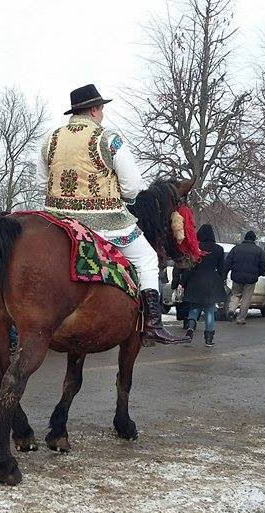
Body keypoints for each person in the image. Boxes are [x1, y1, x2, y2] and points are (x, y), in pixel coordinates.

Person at [37, 84, 182, 344]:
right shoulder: (108, 139)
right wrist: (125, 198)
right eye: (101, 108)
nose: (102, 113)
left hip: (56, 221)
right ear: (94, 110)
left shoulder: (51, 139)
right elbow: (133, 186)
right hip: (105, 220)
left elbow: (41, 180)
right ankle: (152, 324)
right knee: (148, 259)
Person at [175, 224, 226, 346]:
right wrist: (221, 281)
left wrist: (183, 282)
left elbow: (189, 268)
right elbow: (221, 269)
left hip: (195, 281)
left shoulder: (195, 248)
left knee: (194, 308)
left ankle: (190, 328)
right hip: (211, 282)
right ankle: (209, 339)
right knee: (209, 310)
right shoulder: (219, 249)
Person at [223, 230, 265, 325]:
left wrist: (224, 274)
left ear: (245, 238)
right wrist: (258, 273)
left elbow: (228, 262)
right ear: (254, 239)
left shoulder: (236, 249)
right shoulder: (259, 251)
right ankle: (240, 318)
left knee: (235, 295)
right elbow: (264, 265)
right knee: (246, 298)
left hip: (237, 276)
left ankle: (231, 309)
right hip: (251, 279)